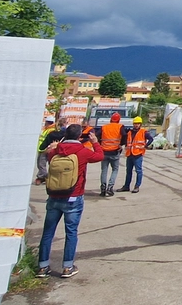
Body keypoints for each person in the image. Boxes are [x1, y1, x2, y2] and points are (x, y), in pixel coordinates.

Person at [37, 124, 103, 279]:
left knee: (48, 233)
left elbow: (47, 154)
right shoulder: (82, 152)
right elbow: (99, 156)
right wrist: (95, 141)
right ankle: (67, 267)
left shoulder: (55, 151)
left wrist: (54, 146)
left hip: (54, 196)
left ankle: (42, 267)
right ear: (80, 136)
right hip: (73, 196)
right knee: (71, 232)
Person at [116, 116, 153, 193]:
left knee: (138, 171)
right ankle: (126, 186)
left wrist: (145, 146)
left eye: (138, 124)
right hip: (130, 154)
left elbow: (151, 139)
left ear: (140, 124)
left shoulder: (143, 132)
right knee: (128, 171)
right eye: (135, 123)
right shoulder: (129, 132)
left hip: (138, 154)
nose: (136, 125)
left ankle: (137, 186)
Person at [96, 113, 124, 196]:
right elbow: (125, 135)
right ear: (119, 120)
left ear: (110, 119)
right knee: (115, 169)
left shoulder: (104, 127)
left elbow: (97, 134)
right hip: (115, 151)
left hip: (104, 151)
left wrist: (100, 143)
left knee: (104, 170)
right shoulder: (120, 126)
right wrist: (121, 144)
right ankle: (110, 187)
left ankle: (103, 188)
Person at [34, 116, 56, 185]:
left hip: (45, 150)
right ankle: (44, 176)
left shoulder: (50, 130)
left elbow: (48, 141)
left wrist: (47, 149)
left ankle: (43, 177)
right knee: (40, 164)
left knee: (41, 164)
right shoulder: (47, 129)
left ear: (48, 122)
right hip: (42, 149)